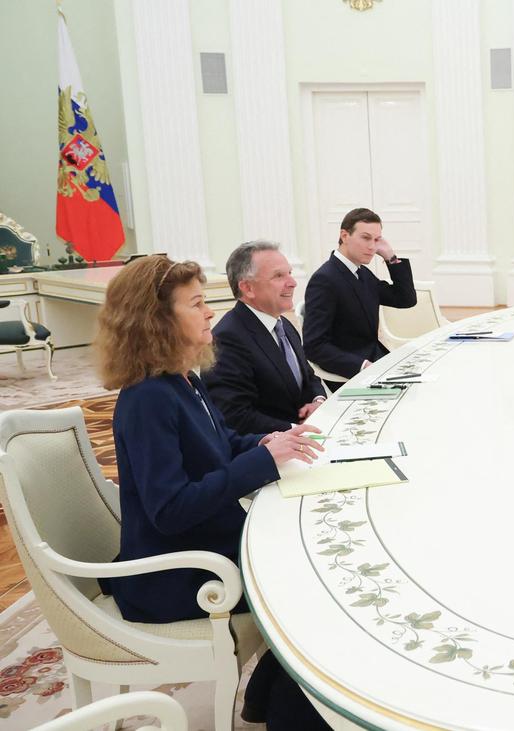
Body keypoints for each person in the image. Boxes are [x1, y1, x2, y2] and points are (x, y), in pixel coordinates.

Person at [94, 255, 329, 728]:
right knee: (311, 582)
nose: (209, 313)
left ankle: (269, 695)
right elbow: (170, 510)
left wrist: (266, 442)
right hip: (174, 575)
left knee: (310, 563)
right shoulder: (148, 398)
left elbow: (221, 443)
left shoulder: (182, 379)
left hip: (203, 546)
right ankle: (291, 712)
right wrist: (261, 462)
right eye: (197, 304)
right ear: (157, 321)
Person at [206, 240, 327, 434]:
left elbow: (309, 376)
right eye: (279, 276)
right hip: (272, 443)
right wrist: (296, 429)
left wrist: (317, 401)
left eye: (290, 273)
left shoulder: (284, 324)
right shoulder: (227, 338)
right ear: (248, 288)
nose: (293, 282)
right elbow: (234, 415)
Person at [303, 207, 417, 391]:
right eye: (365, 238)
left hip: (375, 360)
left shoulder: (362, 273)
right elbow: (314, 346)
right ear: (345, 236)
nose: (372, 247)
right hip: (350, 373)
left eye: (376, 239)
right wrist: (362, 366)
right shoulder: (325, 279)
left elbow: (405, 299)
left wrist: (391, 257)